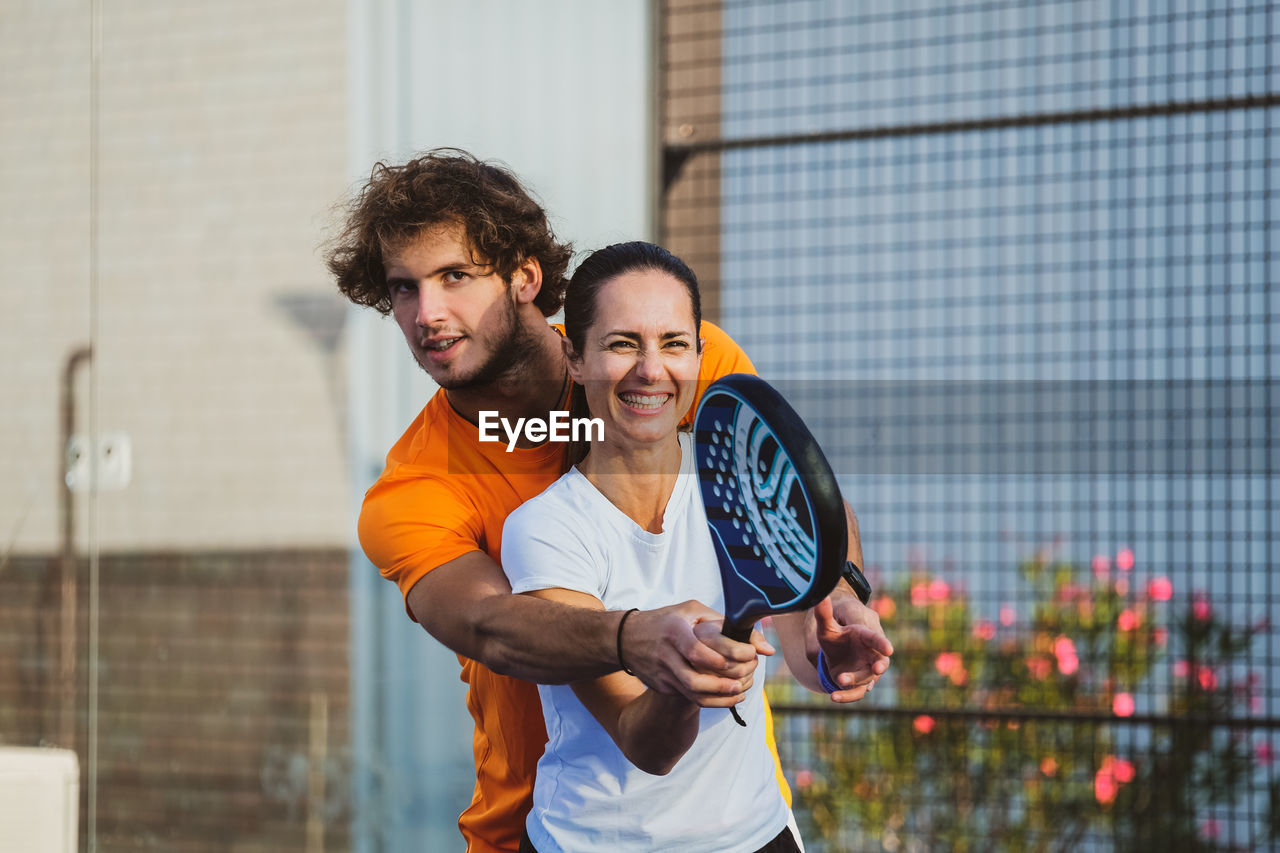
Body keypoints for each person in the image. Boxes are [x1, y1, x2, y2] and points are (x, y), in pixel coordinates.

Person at [325, 148, 892, 853]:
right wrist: (634, 637)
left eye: (455, 277)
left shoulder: (678, 364)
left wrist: (838, 595)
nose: (427, 313)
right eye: (403, 288)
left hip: (737, 826)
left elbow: (794, 504)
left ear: (525, 276)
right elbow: (494, 625)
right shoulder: (413, 489)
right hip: (542, 826)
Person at [502, 241, 864, 852]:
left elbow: (805, 649)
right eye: (622, 344)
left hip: (757, 836)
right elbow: (646, 744)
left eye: (673, 344)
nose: (651, 369)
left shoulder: (737, 480)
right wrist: (684, 674)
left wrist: (834, 652)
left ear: (699, 355)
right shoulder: (545, 528)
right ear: (574, 358)